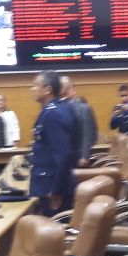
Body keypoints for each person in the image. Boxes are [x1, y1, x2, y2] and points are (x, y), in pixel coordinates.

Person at [30, 71, 77, 216]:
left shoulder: (53, 114)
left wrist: (57, 191)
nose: (32, 89)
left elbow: (63, 154)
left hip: (52, 187)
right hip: (49, 182)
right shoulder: (57, 109)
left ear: (47, 89)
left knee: (55, 227)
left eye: (36, 85)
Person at [62, 76, 98, 168]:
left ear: (73, 91)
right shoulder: (56, 109)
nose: (62, 93)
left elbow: (88, 134)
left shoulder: (83, 109)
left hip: (78, 158)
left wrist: (84, 156)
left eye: (66, 90)